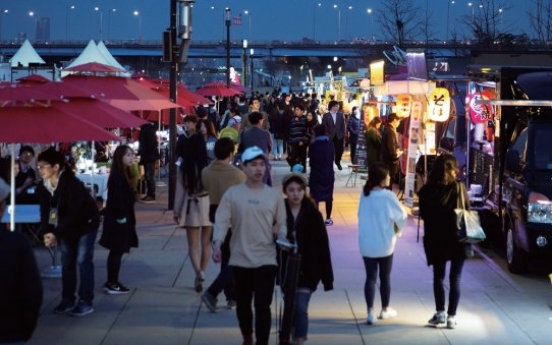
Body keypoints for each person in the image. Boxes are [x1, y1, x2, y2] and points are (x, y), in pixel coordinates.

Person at [212, 146, 287, 345]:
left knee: (263, 306)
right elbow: (221, 220)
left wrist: (282, 236)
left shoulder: (274, 195)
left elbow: (283, 222)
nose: (258, 169)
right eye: (253, 165)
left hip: (266, 258)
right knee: (243, 304)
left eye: (262, 165)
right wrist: (217, 243)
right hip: (240, 258)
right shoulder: (233, 194)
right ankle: (247, 336)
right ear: (243, 167)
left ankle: (261, 342)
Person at [37, 147, 101, 317]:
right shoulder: (43, 187)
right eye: (39, 167)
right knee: (67, 262)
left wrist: (56, 233)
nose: (41, 170)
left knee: (83, 260)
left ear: (56, 167)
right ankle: (67, 299)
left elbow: (74, 212)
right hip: (66, 227)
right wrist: (46, 232)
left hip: (86, 223)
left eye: (44, 166)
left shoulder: (71, 184)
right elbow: (46, 213)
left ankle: (86, 300)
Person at [418, 154, 473, 329]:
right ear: (453, 170)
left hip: (436, 239)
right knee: (455, 278)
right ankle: (451, 317)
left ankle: (440, 312)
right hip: (457, 239)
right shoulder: (459, 188)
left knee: (438, 277)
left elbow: (424, 215)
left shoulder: (426, 191)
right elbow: (467, 210)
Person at [279, 173, 334, 345]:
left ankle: (299, 340)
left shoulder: (313, 214)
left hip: (308, 270)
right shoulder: (279, 212)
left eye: (299, 190)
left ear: (304, 191)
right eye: (291, 190)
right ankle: (292, 332)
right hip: (286, 270)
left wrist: (327, 278)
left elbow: (323, 247)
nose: (295, 194)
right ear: (285, 192)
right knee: (290, 306)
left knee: (300, 307)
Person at [358, 162, 407, 325]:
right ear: (381, 179)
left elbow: (360, 215)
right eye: (387, 175)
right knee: (385, 277)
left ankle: (370, 311)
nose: (389, 177)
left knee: (370, 278)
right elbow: (402, 217)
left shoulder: (365, 194)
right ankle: (385, 309)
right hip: (384, 243)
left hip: (367, 243)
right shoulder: (388, 196)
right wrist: (396, 231)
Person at [200, 138, 246, 312]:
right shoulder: (237, 174)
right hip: (232, 218)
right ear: (230, 153)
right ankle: (213, 292)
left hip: (212, 216)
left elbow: (202, 191)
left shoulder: (206, 172)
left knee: (226, 257)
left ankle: (231, 297)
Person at [0, 177, 43, 344]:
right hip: (10, 329)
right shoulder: (16, 243)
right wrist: (24, 329)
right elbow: (32, 291)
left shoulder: (16, 243)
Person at [174, 114, 212, 293]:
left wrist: (176, 210)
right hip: (207, 203)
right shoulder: (207, 167)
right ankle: (203, 271)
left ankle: (198, 273)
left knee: (193, 245)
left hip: (191, 204)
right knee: (206, 244)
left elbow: (180, 190)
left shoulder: (184, 169)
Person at [99, 145, 139, 294]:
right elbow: (117, 200)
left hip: (119, 218)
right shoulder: (117, 175)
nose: (131, 157)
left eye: (131, 155)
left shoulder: (123, 173)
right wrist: (121, 219)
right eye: (127, 155)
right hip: (118, 220)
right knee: (117, 250)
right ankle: (112, 282)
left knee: (117, 251)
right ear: (120, 157)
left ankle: (112, 281)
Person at [308, 125, 336, 226]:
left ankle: (316, 219)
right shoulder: (330, 145)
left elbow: (311, 162)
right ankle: (328, 218)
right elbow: (332, 159)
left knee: (315, 197)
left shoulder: (313, 146)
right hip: (328, 174)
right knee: (329, 197)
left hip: (316, 174)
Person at [238, 111, 273, 185]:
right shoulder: (266, 134)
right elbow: (269, 148)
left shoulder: (244, 134)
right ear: (260, 121)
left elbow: (241, 147)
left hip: (249, 163)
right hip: (262, 162)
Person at [138, 122, 161, 203]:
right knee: (148, 176)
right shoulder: (148, 129)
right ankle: (149, 195)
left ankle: (151, 195)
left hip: (148, 157)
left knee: (149, 176)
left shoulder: (147, 129)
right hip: (148, 156)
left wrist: (141, 152)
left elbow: (147, 144)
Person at [322, 100, 346, 170]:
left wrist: (342, 134)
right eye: (337, 106)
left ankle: (337, 161)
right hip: (330, 136)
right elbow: (324, 126)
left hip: (339, 136)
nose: (338, 107)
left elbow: (343, 126)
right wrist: (327, 135)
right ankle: (329, 164)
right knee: (329, 151)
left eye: (338, 106)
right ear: (332, 107)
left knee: (340, 150)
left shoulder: (340, 115)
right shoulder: (326, 115)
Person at [381, 113, 402, 190]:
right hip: (390, 161)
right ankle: (387, 195)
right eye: (398, 121)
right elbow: (391, 147)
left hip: (386, 159)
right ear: (394, 120)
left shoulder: (386, 128)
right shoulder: (390, 131)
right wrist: (396, 155)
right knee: (389, 180)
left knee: (387, 180)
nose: (399, 123)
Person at [287, 104, 310, 173]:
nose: (296, 111)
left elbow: (308, 131)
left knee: (302, 156)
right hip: (294, 141)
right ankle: (294, 168)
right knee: (292, 156)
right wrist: (290, 141)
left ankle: (303, 169)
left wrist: (303, 140)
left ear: (302, 111)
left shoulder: (305, 119)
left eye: (297, 110)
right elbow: (291, 130)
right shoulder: (292, 119)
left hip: (302, 142)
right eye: (295, 110)